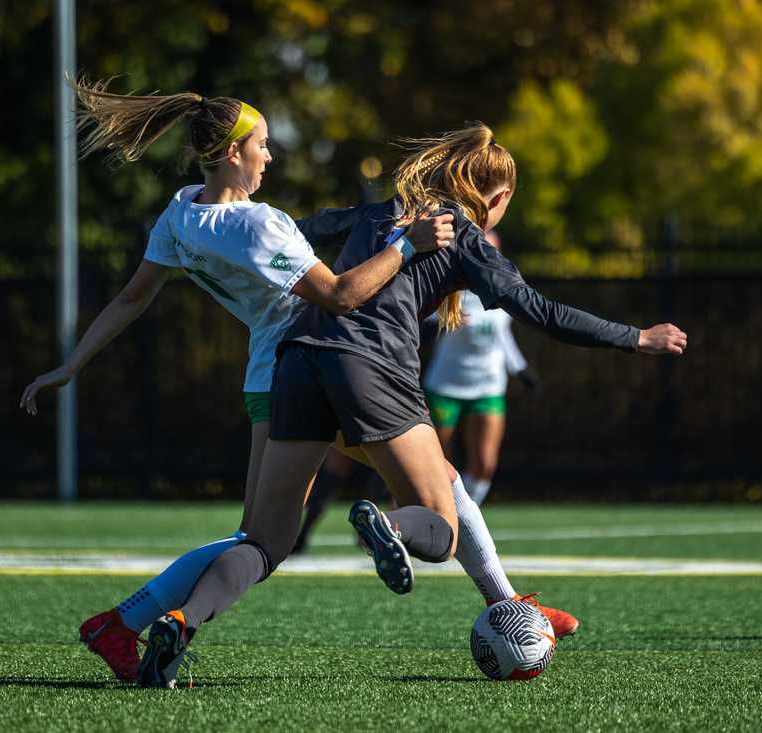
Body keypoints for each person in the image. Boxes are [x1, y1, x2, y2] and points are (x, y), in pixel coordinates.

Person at [139, 123, 688, 688]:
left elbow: (292, 231)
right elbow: (539, 311)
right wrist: (635, 337)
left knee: (265, 541)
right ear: (497, 199)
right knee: (441, 527)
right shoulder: (465, 237)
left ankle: (179, 624)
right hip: (371, 365)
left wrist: (199, 240)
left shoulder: (379, 211)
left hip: (299, 361)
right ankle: (390, 526)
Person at [20, 79, 454, 682]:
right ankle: (506, 601)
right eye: (262, 145)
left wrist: (72, 364)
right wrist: (408, 245)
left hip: (266, 377)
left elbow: (130, 298)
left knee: (261, 535)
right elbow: (339, 294)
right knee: (423, 494)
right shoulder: (257, 224)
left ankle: (122, 624)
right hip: (310, 369)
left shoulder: (180, 213)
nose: (269, 156)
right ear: (232, 153)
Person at [423, 229, 541, 505]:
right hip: (446, 384)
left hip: (488, 384)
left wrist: (520, 369)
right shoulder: (450, 285)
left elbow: (502, 333)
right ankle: (399, 516)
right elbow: (416, 314)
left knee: (485, 463)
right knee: (433, 463)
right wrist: (442, 320)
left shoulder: (506, 287)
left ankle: (464, 515)